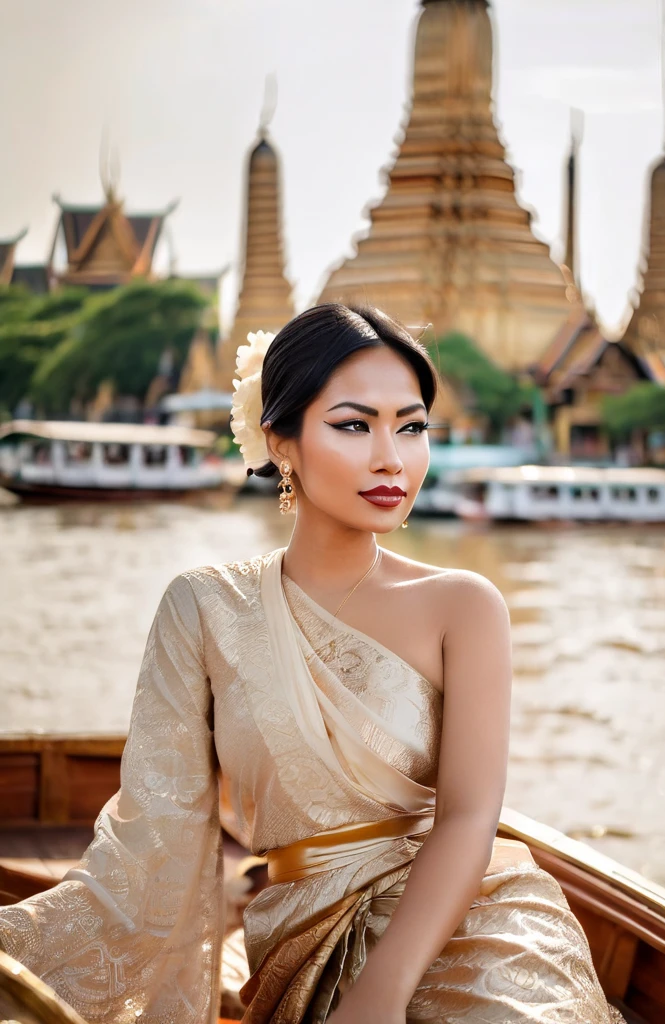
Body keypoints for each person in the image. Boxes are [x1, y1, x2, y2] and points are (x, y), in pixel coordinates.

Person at [0, 304, 624, 1024]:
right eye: (354, 425)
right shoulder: (204, 608)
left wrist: (381, 995)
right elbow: (153, 838)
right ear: (280, 440)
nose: (392, 456)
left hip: (477, 920)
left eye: (412, 425)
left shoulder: (466, 606)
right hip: (303, 937)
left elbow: (468, 818)